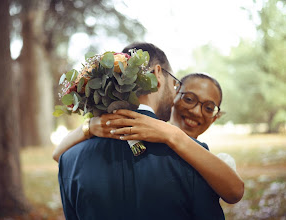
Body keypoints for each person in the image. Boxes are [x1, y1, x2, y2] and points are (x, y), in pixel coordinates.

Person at [57, 42, 225, 219]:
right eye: (175, 85)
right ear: (157, 74)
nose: (175, 96)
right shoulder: (194, 156)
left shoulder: (69, 159)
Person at [54, 72, 244, 204]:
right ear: (173, 95)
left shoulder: (218, 161)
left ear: (216, 117)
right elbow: (60, 156)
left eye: (209, 108)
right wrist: (89, 127)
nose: (196, 111)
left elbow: (235, 192)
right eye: (189, 99)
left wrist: (173, 135)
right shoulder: (139, 132)